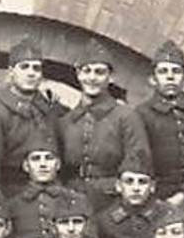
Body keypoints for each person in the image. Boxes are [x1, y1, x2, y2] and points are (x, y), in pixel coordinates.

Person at [59, 36, 149, 217]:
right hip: (73, 199)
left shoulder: (126, 116)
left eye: (99, 72)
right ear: (78, 74)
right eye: (87, 71)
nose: (92, 78)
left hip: (113, 201)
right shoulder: (67, 121)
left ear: (110, 77)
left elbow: (139, 162)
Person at [0, 36, 66, 196]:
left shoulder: (49, 108)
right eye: (24, 67)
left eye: (36, 68)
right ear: (11, 72)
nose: (31, 73)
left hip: (52, 194)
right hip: (14, 194)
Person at [137, 39, 184, 204]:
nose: (170, 76)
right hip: (157, 198)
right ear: (153, 79)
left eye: (176, 71)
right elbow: (140, 160)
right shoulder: (141, 114)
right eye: (163, 71)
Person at [96, 156, 164, 238]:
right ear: (118, 186)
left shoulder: (166, 216)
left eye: (142, 182)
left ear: (152, 187)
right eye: (129, 181)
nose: (136, 188)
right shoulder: (103, 220)